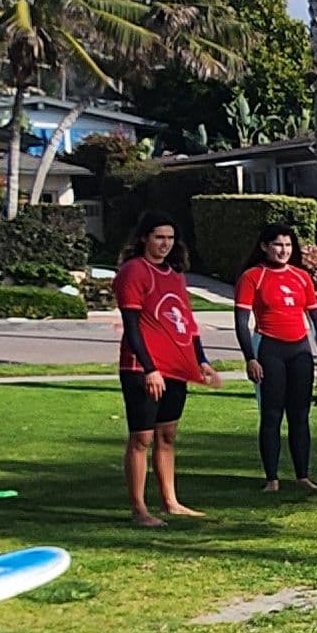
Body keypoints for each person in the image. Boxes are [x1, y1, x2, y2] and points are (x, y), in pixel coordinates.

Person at [114, 213, 220, 527]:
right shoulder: (133, 272)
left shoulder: (175, 275)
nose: (165, 244)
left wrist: (201, 360)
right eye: (159, 237)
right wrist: (150, 369)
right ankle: (139, 509)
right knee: (141, 438)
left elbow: (188, 323)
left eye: (170, 238)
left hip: (175, 368)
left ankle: (171, 501)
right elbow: (132, 326)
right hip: (143, 369)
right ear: (144, 237)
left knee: (168, 435)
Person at [233, 223, 317, 492]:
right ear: (264, 247)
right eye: (277, 244)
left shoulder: (301, 277)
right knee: (272, 414)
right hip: (269, 349)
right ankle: (272, 479)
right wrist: (250, 357)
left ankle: (302, 476)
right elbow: (241, 321)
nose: (283, 250)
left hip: (299, 351)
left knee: (300, 415)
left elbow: (315, 320)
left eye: (287, 245)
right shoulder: (253, 276)